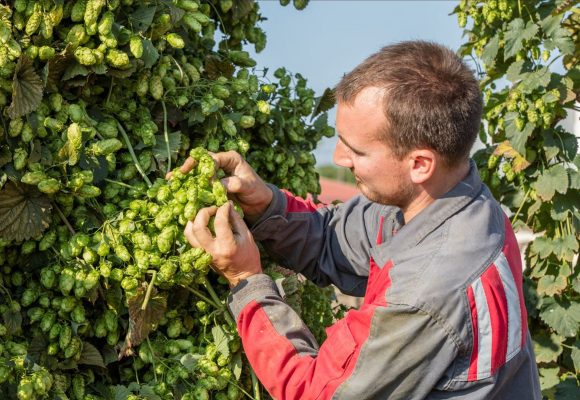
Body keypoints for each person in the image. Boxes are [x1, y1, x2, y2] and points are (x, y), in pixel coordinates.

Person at [182, 41, 542, 399]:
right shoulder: (448, 199)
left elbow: (316, 394)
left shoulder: (425, 291)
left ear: (419, 164)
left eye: (356, 150)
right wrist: (266, 204)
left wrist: (245, 280)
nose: (339, 158)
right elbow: (331, 238)